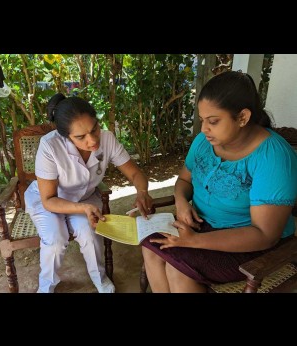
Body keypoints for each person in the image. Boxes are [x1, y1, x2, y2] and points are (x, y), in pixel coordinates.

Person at [141, 70, 297, 293]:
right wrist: (181, 202)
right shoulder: (204, 142)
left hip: (251, 244)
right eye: (202, 119)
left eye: (213, 121)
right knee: (153, 249)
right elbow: (184, 180)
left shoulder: (273, 158)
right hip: (202, 225)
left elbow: (265, 236)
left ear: (243, 117)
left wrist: (193, 241)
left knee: (178, 268)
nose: (204, 129)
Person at [25, 93, 153, 293]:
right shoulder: (50, 146)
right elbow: (49, 199)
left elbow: (135, 173)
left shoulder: (107, 139)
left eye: (94, 129)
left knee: (89, 232)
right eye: (80, 137)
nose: (92, 140)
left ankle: (100, 280)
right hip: (50, 201)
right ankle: (46, 287)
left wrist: (142, 191)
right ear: (65, 136)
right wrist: (82, 207)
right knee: (55, 239)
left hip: (84, 199)